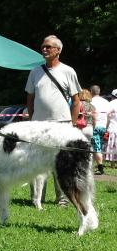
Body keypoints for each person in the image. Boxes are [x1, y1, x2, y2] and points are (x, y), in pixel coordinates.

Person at [25, 34, 82, 206]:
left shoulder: (68, 71)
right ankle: (37, 198)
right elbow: (30, 98)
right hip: (38, 126)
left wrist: (72, 125)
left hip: (61, 125)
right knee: (35, 161)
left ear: (58, 50)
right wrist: (32, 120)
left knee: (61, 163)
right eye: (43, 46)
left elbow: (76, 101)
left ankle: (62, 198)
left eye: (48, 47)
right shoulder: (35, 71)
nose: (44, 49)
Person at [90, 85, 110, 175]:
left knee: (96, 148)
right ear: (99, 92)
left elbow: (93, 116)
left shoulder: (91, 101)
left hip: (95, 126)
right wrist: (106, 127)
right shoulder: (106, 101)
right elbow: (109, 116)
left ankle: (100, 168)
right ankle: (97, 166)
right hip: (103, 126)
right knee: (99, 147)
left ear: (91, 92)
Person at [105, 89, 117, 168]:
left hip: (113, 127)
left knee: (112, 146)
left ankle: (112, 165)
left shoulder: (111, 103)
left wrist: (106, 127)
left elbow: (107, 116)